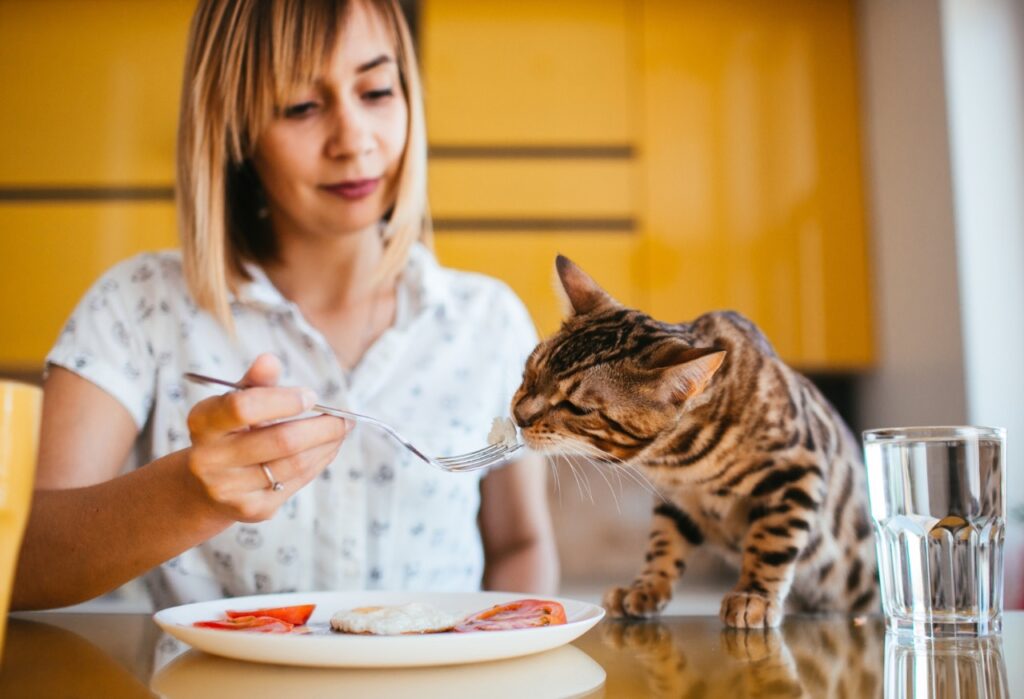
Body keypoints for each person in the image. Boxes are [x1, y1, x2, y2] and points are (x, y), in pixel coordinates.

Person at [12, 0, 558, 611]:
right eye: (301, 106)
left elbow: (519, 543)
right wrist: (192, 496)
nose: (354, 140)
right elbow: (19, 561)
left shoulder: (489, 320)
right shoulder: (137, 306)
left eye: (377, 91)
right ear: (234, 128)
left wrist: (514, 643)